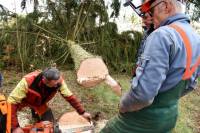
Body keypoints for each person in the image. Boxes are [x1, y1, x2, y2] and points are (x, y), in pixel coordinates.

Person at [100, 0, 200, 132]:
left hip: (143, 120)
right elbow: (191, 84)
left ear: (165, 6)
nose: (151, 18)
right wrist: (167, 101)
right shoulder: (195, 37)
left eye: (151, 11)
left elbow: (143, 95)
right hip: (169, 118)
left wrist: (123, 105)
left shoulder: (162, 34)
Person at [7, 67, 91, 133]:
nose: (57, 86)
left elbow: (70, 97)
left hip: (39, 104)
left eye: (58, 83)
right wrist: (15, 127)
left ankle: (36, 122)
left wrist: (82, 112)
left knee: (50, 126)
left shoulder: (59, 82)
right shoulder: (27, 81)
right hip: (23, 101)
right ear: (45, 80)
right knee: (7, 121)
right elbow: (12, 101)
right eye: (55, 84)